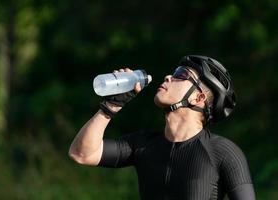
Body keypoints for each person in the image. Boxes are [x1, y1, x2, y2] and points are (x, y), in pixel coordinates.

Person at [69, 55, 256, 200]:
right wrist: (111, 107)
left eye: (181, 75)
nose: (168, 77)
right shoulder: (143, 144)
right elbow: (82, 154)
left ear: (198, 98)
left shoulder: (223, 153)